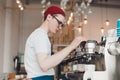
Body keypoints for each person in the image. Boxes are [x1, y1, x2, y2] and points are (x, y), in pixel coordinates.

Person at [24, 5, 84, 80]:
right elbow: (45, 65)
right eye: (59, 22)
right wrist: (71, 46)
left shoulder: (41, 35)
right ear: (49, 17)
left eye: (62, 25)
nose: (59, 27)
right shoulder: (40, 35)